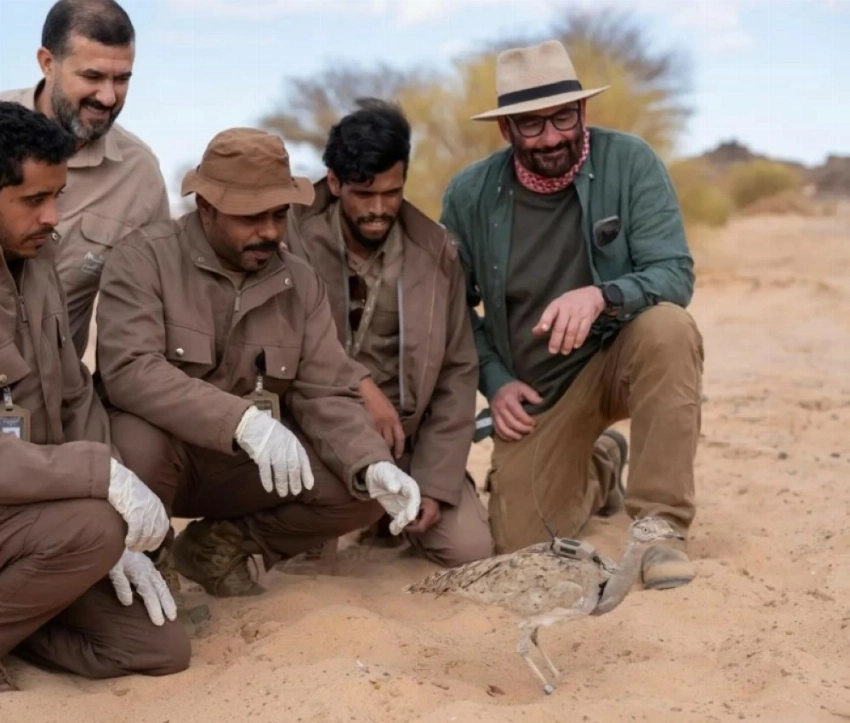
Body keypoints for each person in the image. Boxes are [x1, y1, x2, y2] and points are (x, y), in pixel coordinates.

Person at [94, 127, 421, 599]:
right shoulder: (143, 259)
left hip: (247, 468)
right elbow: (130, 371)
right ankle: (151, 556)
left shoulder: (301, 282)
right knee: (136, 440)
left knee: (360, 487)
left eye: (278, 214)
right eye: (250, 217)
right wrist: (240, 420)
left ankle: (216, 546)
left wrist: (369, 463)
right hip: (164, 463)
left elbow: (325, 389)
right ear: (205, 207)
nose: (269, 231)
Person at [440, 40, 704, 590]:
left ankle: (658, 531)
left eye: (564, 116)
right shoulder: (469, 194)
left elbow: (674, 275)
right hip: (541, 389)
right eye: (531, 125)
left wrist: (602, 295)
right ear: (505, 129)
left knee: (669, 328)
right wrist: (497, 380)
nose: (553, 137)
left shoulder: (631, 162)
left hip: (623, 357)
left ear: (583, 109)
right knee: (519, 541)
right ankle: (603, 463)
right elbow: (455, 310)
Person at [0, 101, 188, 693]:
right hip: (25, 505)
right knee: (94, 525)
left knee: (159, 647)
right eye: (34, 201)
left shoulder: (38, 260)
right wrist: (100, 477)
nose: (53, 217)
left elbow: (74, 391)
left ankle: (18, 624)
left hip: (31, 512)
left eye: (57, 196)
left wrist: (113, 485)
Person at [285, 99, 494, 567]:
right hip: (317, 440)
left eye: (392, 192)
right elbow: (288, 351)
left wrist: (437, 485)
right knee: (299, 561)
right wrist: (359, 387)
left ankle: (394, 510)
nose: (379, 209)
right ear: (334, 182)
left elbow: (457, 371)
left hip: (409, 445)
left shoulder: (436, 252)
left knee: (469, 551)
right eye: (364, 193)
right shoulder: (289, 242)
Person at [0, 0, 171, 358]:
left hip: (57, 394)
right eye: (92, 77)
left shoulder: (140, 176)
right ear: (48, 62)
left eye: (121, 79)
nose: (108, 97)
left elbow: (154, 305)